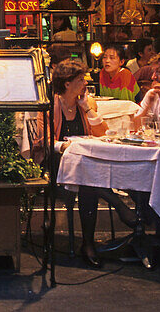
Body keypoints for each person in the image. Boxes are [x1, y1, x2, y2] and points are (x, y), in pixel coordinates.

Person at [48, 59, 107, 267]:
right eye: (81, 80)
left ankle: (88, 242)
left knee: (88, 181)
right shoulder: (49, 105)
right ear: (67, 83)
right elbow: (41, 141)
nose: (85, 83)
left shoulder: (85, 104)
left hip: (85, 168)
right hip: (57, 167)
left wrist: (87, 109)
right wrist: (63, 147)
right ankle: (89, 243)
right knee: (88, 179)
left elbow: (102, 133)